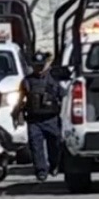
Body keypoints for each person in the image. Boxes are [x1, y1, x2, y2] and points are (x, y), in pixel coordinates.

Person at [21, 51, 63, 181]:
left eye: (41, 66)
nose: (39, 68)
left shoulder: (54, 79)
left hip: (51, 118)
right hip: (34, 120)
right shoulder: (27, 81)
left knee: (55, 144)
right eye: (36, 66)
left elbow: (63, 96)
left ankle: (54, 165)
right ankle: (41, 171)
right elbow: (21, 99)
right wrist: (17, 114)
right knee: (36, 145)